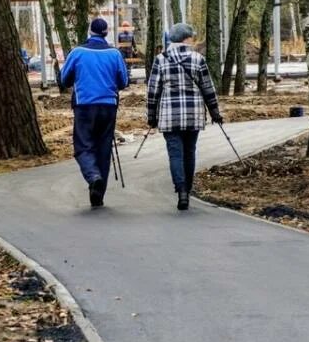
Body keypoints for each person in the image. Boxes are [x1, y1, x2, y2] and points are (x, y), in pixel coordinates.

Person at [146, 22, 222, 211]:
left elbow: (153, 90)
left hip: (169, 115)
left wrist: (151, 115)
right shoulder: (198, 59)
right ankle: (187, 190)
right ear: (185, 39)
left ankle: (180, 190)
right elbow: (207, 87)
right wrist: (215, 112)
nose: (193, 39)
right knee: (189, 152)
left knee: (175, 154)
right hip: (193, 115)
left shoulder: (161, 59)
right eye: (191, 36)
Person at [59, 17, 130, 208]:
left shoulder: (78, 52)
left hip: (84, 106)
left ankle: (93, 176)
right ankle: (98, 194)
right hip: (108, 106)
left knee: (83, 146)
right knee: (104, 149)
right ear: (106, 33)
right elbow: (123, 81)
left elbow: (64, 79)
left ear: (89, 32)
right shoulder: (115, 54)